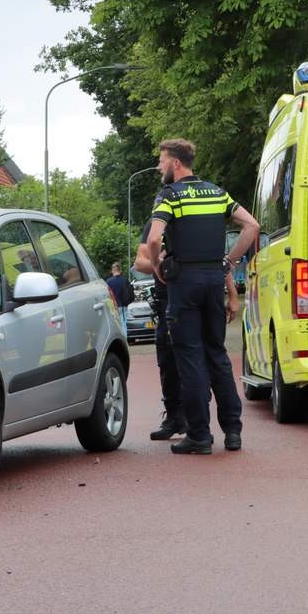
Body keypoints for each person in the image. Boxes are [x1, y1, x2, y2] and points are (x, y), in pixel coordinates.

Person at [142, 138, 258, 455]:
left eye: (162, 161)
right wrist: (229, 263)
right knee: (218, 356)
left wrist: (157, 267)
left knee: (190, 358)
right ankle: (233, 431)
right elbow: (252, 226)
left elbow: (153, 239)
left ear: (176, 163)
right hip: (213, 281)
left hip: (185, 283)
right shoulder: (217, 193)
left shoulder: (170, 196)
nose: (159, 167)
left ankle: (199, 435)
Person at [134, 208, 241, 443]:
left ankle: (205, 430)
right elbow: (140, 261)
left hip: (187, 300)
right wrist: (158, 261)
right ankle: (178, 418)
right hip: (169, 300)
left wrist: (232, 295)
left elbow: (218, 262)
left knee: (201, 361)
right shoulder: (157, 224)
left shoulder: (197, 221)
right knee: (169, 361)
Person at [104, 262, 134, 334]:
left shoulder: (108, 282)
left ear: (112, 271)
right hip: (123, 306)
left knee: (115, 326)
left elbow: (107, 295)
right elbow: (130, 293)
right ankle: (124, 342)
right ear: (120, 270)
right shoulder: (125, 280)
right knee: (123, 324)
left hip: (113, 307)